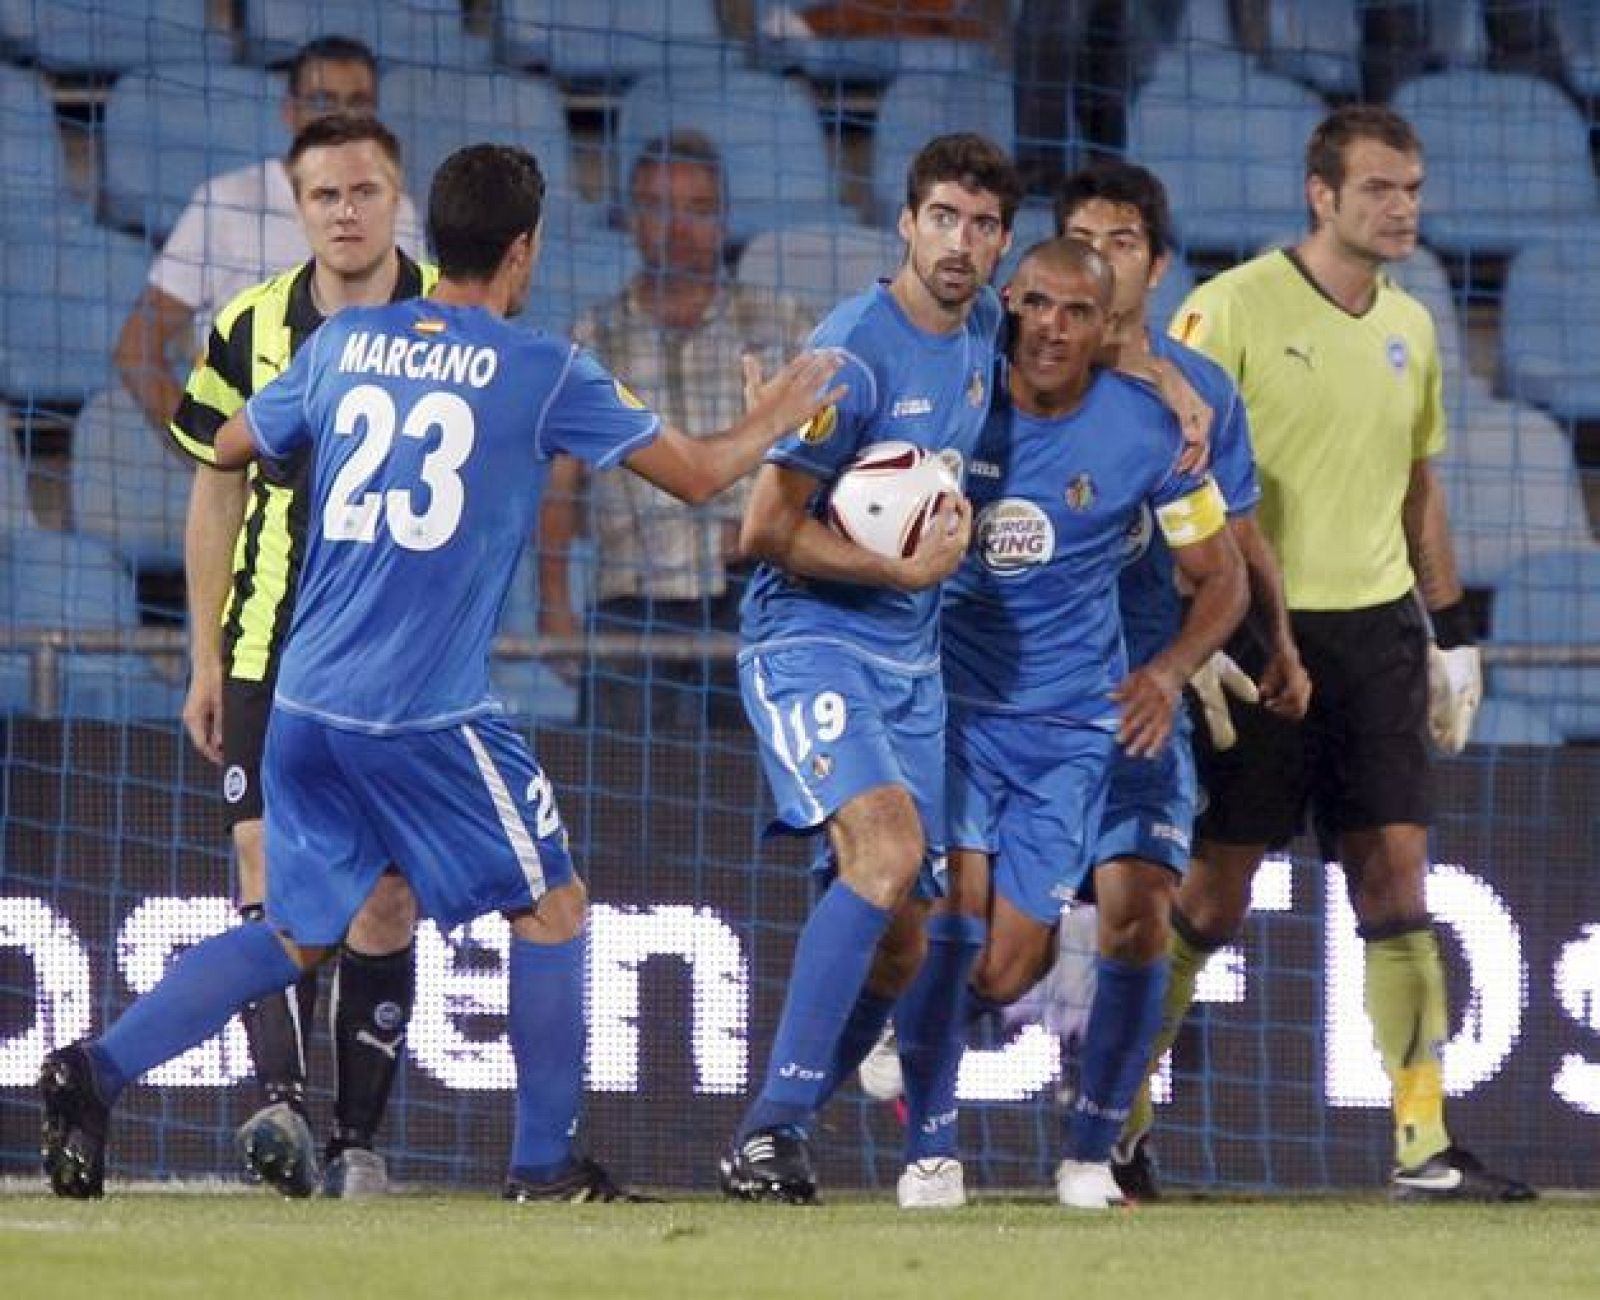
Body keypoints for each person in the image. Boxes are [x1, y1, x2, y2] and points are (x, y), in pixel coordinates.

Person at [37, 141, 843, 1203]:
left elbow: (227, 444)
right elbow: (695, 476)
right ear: (524, 250)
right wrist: (777, 418)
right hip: (423, 711)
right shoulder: (542, 366)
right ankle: (545, 1167)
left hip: (304, 697)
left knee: (291, 926)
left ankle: (91, 1072)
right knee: (552, 906)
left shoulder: (343, 344)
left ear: (431, 236)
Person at [1123, 105, 1533, 1202]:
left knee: (1396, 878)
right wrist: (1197, 618)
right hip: (1259, 635)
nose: (1402, 207)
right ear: (1321, 193)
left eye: (1411, 188)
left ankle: (1421, 1142)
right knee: (1210, 896)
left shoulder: (1415, 323)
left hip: (1377, 638)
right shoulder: (1230, 310)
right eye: (1379, 189)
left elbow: (1417, 485)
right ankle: (1115, 1121)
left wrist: (1451, 636)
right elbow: (1175, 472)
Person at [890, 237, 1248, 1212]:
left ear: (1105, 327)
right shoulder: (958, 394)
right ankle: (929, 1152)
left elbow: (1224, 575)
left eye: (1074, 312)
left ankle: (1089, 1149)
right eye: (1037, 304)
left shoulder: (1149, 432)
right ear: (1011, 301)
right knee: (955, 922)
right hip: (958, 714)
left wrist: (1170, 671)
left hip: (1074, 735)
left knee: (1007, 967)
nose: (1051, 326)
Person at [717, 133, 1021, 1206]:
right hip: (809, 640)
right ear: (905, 221)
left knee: (903, 944)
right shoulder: (850, 359)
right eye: (942, 216)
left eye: (982, 225)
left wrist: (1170, 386)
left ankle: (779, 1128)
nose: (960, 242)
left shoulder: (986, 325)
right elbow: (758, 531)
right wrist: (895, 569)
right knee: (886, 847)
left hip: (911, 667)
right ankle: (768, 1132)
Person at [166, 113, 436, 1199]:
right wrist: (203, 658)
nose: (346, 210)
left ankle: (359, 1143)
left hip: (400, 658)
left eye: (364, 190)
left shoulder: (449, 319)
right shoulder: (247, 325)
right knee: (267, 871)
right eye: (325, 194)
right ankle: (275, 1115)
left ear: (395, 196)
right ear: (298, 206)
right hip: (269, 642)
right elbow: (214, 486)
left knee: (385, 900)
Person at [1052, 159, 1310, 1202]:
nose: (1102, 262)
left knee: (1139, 913)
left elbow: (1235, 537)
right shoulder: (1013, 364)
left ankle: (1106, 1138)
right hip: (1013, 685)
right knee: (998, 935)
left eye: (1122, 243)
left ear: (1157, 267)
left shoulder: (1204, 396)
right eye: (1082, 239)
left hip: (1141, 688)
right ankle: (919, 1092)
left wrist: (1274, 643)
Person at [538, 131, 814, 732]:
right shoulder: (593, 334)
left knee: (758, 790)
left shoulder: (779, 320)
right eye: (658, 207)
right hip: (630, 603)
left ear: (722, 220)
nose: (677, 227)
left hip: (752, 591)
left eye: (697, 209)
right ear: (631, 219)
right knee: (620, 799)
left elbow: (822, 455)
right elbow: (559, 488)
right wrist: (555, 606)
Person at [113, 35, 422, 434]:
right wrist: (209, 454)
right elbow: (137, 348)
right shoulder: (225, 202)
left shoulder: (401, 213)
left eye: (358, 103)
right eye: (323, 101)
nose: (342, 118)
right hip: (254, 462)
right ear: (289, 112)